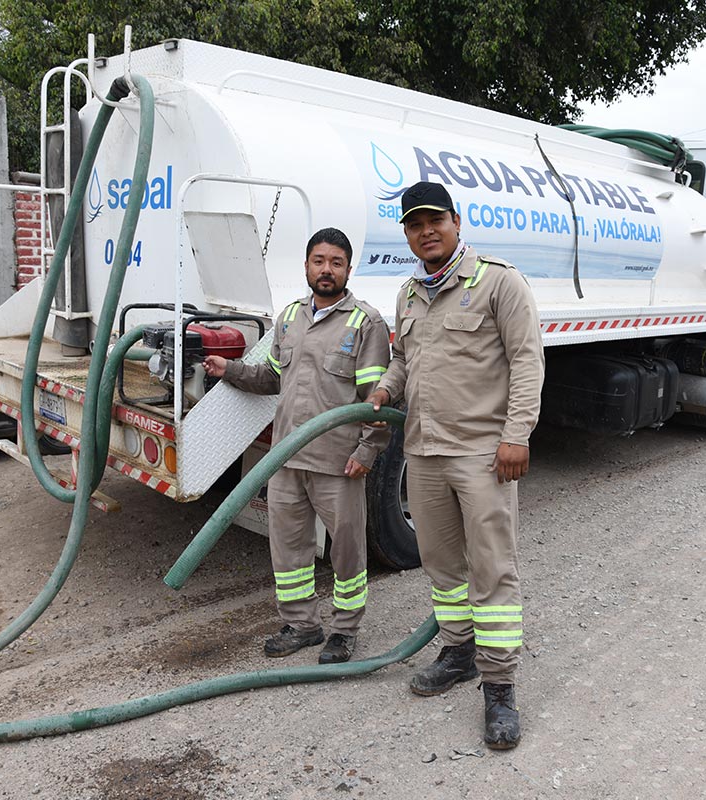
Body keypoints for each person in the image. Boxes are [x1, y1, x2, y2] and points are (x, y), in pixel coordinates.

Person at [367, 181, 543, 750]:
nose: (426, 232)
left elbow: (527, 361)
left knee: (492, 568)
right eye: (415, 225)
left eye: (434, 220)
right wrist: (384, 389)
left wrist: (516, 436)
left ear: (456, 221)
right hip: (423, 451)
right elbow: (403, 360)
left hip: (481, 453)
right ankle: (459, 652)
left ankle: (499, 687)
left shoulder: (498, 281)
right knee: (441, 565)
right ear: (408, 234)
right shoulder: (410, 294)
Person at [203, 227, 390, 664]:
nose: (327, 270)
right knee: (288, 547)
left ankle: (345, 630)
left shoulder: (366, 323)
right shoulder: (287, 317)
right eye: (319, 261)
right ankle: (302, 624)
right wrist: (229, 369)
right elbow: (271, 379)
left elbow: (378, 400)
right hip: (286, 458)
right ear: (306, 265)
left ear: (348, 269)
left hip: (337, 462)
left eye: (336, 263)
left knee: (346, 549)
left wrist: (366, 452)